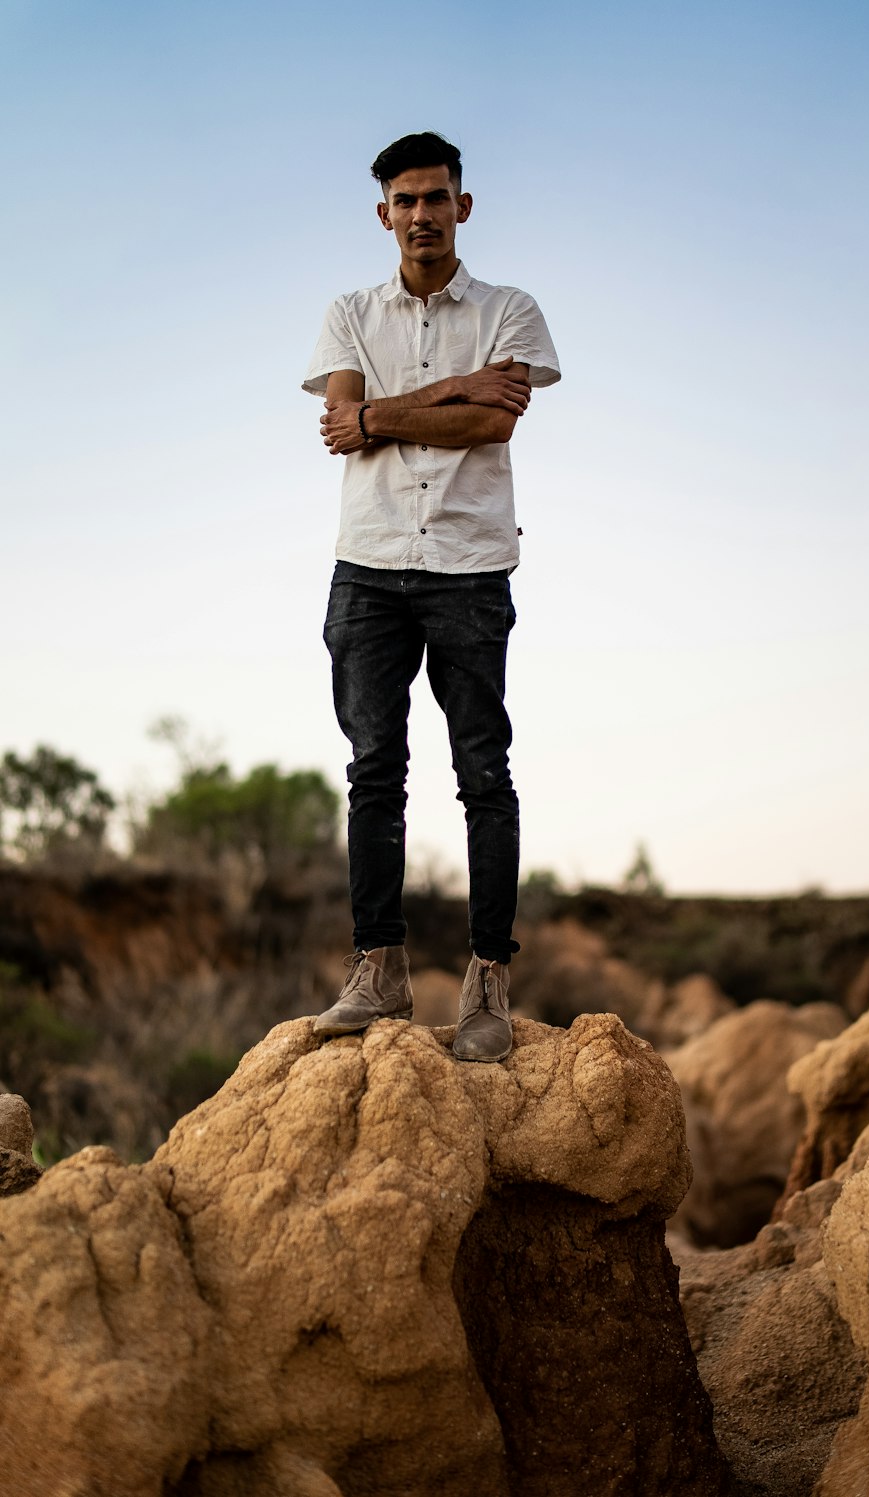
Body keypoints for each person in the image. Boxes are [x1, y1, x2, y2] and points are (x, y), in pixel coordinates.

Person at [302, 131, 560, 1063]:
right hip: (366, 567)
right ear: (384, 214)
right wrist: (434, 396)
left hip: (469, 569)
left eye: (436, 197)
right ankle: (380, 971)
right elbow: (339, 426)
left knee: (482, 775)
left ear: (463, 206)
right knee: (375, 772)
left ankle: (488, 977)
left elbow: (495, 420)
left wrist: (382, 413)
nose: (421, 214)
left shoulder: (510, 311)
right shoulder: (348, 313)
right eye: (404, 201)